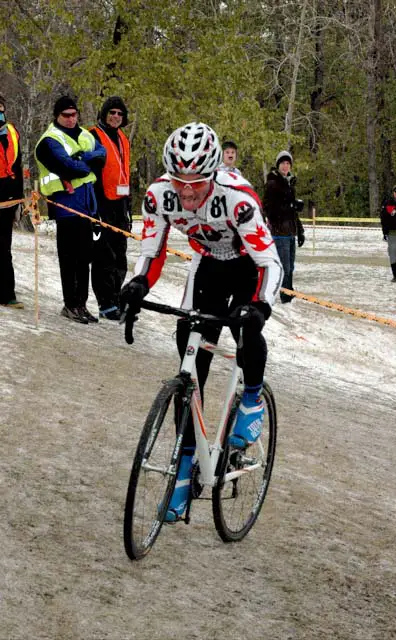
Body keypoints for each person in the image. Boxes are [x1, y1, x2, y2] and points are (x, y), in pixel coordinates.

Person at [120, 122, 283, 522]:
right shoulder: (160, 196)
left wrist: (261, 306)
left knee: (247, 328)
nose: (188, 191)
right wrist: (138, 283)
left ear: (213, 173)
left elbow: (270, 262)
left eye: (196, 181)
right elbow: (152, 249)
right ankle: (184, 472)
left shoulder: (237, 199)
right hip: (207, 265)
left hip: (247, 265)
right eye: (179, 181)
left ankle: (250, 400)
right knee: (189, 367)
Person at [35, 96, 106, 323]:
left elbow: (102, 155)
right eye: (66, 115)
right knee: (69, 257)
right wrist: (86, 163)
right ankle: (70, 304)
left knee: (85, 257)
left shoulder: (85, 134)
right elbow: (68, 167)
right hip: (66, 204)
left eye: (74, 114)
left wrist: (83, 158)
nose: (71, 119)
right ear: (57, 116)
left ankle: (81, 304)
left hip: (87, 203)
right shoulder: (48, 140)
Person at [90, 97, 131, 321]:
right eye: (112, 112)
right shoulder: (94, 136)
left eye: (119, 114)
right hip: (101, 204)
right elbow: (91, 174)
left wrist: (128, 207)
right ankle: (105, 303)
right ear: (104, 114)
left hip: (120, 204)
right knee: (103, 256)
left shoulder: (124, 139)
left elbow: (126, 174)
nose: (116, 117)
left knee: (120, 256)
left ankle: (116, 299)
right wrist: (94, 210)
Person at [263, 150, 305, 303]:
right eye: (283, 163)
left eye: (288, 163)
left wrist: (300, 231)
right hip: (279, 231)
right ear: (278, 165)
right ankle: (284, 296)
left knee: (291, 267)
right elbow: (267, 208)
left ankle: (289, 292)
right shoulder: (273, 184)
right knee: (284, 267)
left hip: (290, 231)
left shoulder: (289, 184)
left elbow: (293, 212)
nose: (285, 166)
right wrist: (289, 206)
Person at [0, 94, 24, 309]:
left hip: (8, 196)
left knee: (4, 247)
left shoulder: (11, 132)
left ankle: (7, 293)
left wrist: (19, 198)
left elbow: (18, 166)